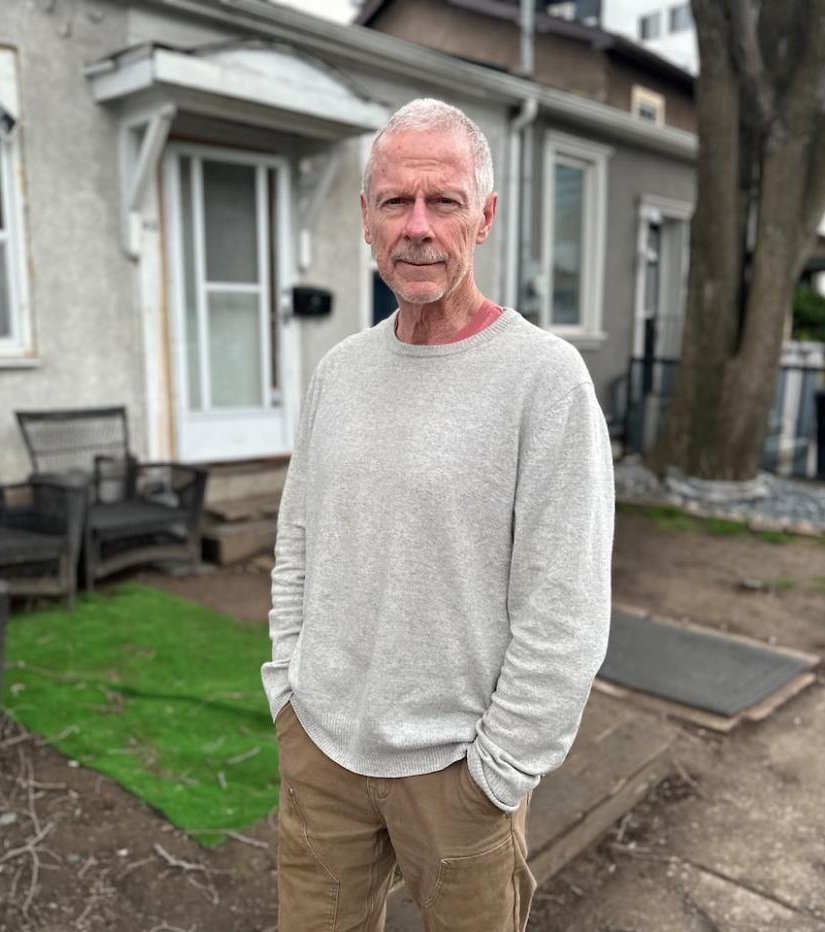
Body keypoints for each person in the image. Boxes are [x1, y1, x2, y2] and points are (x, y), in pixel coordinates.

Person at [260, 97, 615, 932]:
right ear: (366, 218)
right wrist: (288, 688)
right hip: (321, 752)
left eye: (443, 201)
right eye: (395, 202)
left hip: (456, 773)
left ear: (483, 217)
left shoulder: (543, 380)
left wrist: (499, 771)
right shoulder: (339, 372)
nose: (418, 227)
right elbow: (298, 542)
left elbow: (565, 608)